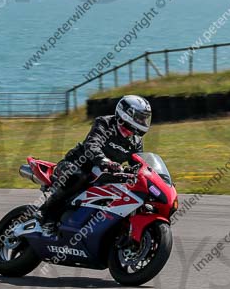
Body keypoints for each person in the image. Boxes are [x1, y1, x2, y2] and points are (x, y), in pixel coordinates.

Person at [38, 95, 152, 232]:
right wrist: (104, 160)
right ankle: (45, 213)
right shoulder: (104, 123)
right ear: (126, 114)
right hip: (76, 164)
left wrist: (147, 175)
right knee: (77, 177)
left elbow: (138, 162)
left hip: (105, 173)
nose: (143, 121)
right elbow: (92, 144)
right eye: (140, 117)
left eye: (145, 118)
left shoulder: (136, 141)